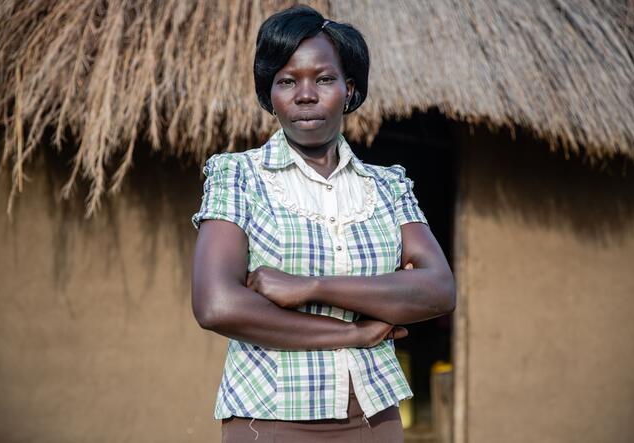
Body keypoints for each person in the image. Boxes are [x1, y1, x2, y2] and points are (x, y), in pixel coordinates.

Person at [191, 5, 455, 442]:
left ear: (349, 90)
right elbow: (216, 304)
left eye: (325, 79)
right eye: (287, 81)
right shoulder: (237, 177)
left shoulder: (388, 187)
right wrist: (353, 332)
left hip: (377, 418)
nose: (306, 94)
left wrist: (310, 287)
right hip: (270, 419)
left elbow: (438, 290)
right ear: (269, 95)